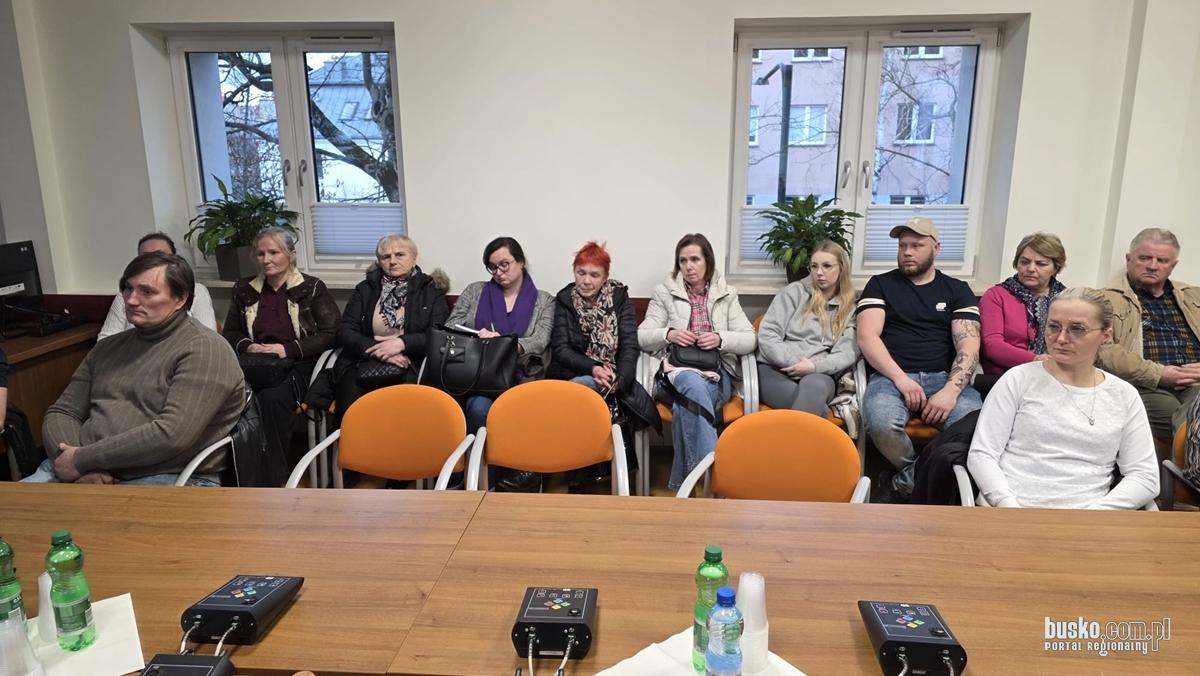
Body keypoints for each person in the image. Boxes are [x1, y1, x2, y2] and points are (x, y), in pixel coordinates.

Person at [23, 252, 244, 485]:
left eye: (147, 292)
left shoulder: (206, 350)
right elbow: (63, 412)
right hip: (77, 465)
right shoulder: (107, 348)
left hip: (167, 475)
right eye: (128, 288)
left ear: (180, 299)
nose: (130, 300)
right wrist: (71, 461)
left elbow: (171, 435)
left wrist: (82, 460)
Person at [968, 288, 1159, 509]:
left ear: (1105, 336)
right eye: (1053, 326)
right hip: (1012, 508)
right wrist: (1007, 505)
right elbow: (982, 454)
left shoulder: (1123, 395)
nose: (1061, 339)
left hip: (1089, 516)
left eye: (1077, 329)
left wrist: (1098, 513)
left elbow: (1144, 475)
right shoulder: (1019, 379)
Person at [856, 216, 982, 501]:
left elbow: (969, 344)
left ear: (936, 248)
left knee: (974, 425)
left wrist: (951, 391)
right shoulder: (880, 284)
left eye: (916, 245)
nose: (907, 252)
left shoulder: (957, 289)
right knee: (881, 424)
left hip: (944, 377)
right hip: (891, 376)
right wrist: (901, 379)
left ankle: (903, 483)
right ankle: (926, 478)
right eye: (903, 246)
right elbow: (867, 337)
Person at [638, 233, 756, 492]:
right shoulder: (664, 293)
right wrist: (669, 334)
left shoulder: (727, 294)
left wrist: (720, 338)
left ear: (707, 261)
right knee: (690, 383)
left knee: (686, 405)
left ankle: (683, 485)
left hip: (717, 374)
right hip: (674, 374)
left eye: (695, 259)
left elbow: (750, 339)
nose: (688, 266)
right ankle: (718, 481)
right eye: (683, 261)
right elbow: (642, 336)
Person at [223, 227, 339, 471]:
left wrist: (287, 350)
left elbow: (332, 334)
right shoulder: (244, 289)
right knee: (232, 395)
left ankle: (272, 474)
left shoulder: (311, 287)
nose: (266, 259)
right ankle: (236, 470)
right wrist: (250, 346)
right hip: (255, 364)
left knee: (270, 399)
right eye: (261, 254)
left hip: (299, 364)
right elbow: (231, 333)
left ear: (291, 254)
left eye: (274, 252)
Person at [548, 241, 660, 491]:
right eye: (581, 273)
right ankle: (587, 470)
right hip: (574, 373)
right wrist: (593, 368)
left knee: (584, 395)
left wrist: (620, 378)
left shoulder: (619, 298)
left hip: (615, 375)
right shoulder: (565, 300)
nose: (586, 281)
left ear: (605, 277)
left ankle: (581, 473)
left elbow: (630, 345)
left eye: (594, 275)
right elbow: (561, 349)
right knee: (579, 390)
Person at [445, 236, 553, 492]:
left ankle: (504, 479)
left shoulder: (544, 300)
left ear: (521, 262)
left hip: (520, 376)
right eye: (492, 267)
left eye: (505, 264)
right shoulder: (475, 291)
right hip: (479, 376)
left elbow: (540, 339)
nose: (499, 272)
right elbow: (451, 326)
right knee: (478, 407)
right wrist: (478, 337)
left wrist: (503, 343)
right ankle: (478, 481)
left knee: (500, 408)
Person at [1097, 228, 1200, 447]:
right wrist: (1159, 374)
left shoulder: (1194, 296)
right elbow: (1104, 351)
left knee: (1194, 412)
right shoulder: (1104, 299)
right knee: (1182, 418)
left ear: (1173, 266)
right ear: (1129, 259)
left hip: (1195, 382)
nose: (1152, 266)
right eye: (1144, 258)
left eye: (1162, 260)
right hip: (1145, 384)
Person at [334, 234, 449, 426]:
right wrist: (378, 351)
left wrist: (402, 343)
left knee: (404, 416)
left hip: (411, 362)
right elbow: (345, 331)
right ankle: (351, 445)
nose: (392, 261)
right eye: (385, 257)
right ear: (379, 261)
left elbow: (438, 334)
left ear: (414, 258)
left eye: (400, 255)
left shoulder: (430, 290)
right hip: (365, 359)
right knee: (349, 413)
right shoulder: (366, 289)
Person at [756, 240, 859, 416]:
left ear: (842, 268)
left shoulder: (851, 306)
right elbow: (768, 334)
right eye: (814, 266)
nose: (819, 272)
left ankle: (794, 433)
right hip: (776, 368)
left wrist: (814, 366)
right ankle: (815, 424)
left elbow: (848, 351)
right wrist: (793, 362)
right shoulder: (794, 292)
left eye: (827, 266)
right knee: (813, 407)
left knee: (813, 390)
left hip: (820, 373)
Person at [98, 232, 217, 339]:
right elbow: (105, 340)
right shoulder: (126, 295)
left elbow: (207, 336)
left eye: (148, 292)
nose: (152, 262)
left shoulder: (197, 291)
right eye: (145, 257)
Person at [979, 233, 1067, 376]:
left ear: (1055, 268)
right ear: (1017, 263)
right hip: (1006, 375)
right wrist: (1036, 360)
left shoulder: (1068, 299)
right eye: (1024, 262)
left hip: (1057, 373)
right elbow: (992, 346)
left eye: (1041, 264)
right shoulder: (996, 295)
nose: (1031, 269)